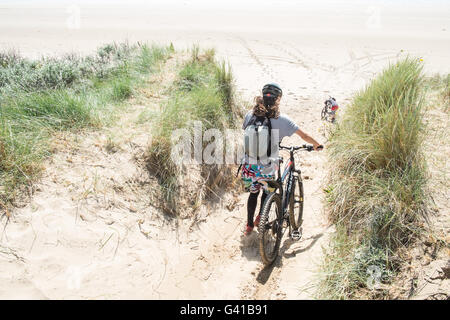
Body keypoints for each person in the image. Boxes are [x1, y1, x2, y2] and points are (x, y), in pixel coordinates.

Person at [241, 83, 323, 236]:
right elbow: (304, 136)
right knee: (267, 190)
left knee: (253, 194)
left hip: (249, 165)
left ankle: (249, 225)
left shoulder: (249, 114)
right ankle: (261, 217)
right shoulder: (282, 119)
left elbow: (245, 131)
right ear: (278, 99)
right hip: (267, 166)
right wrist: (317, 144)